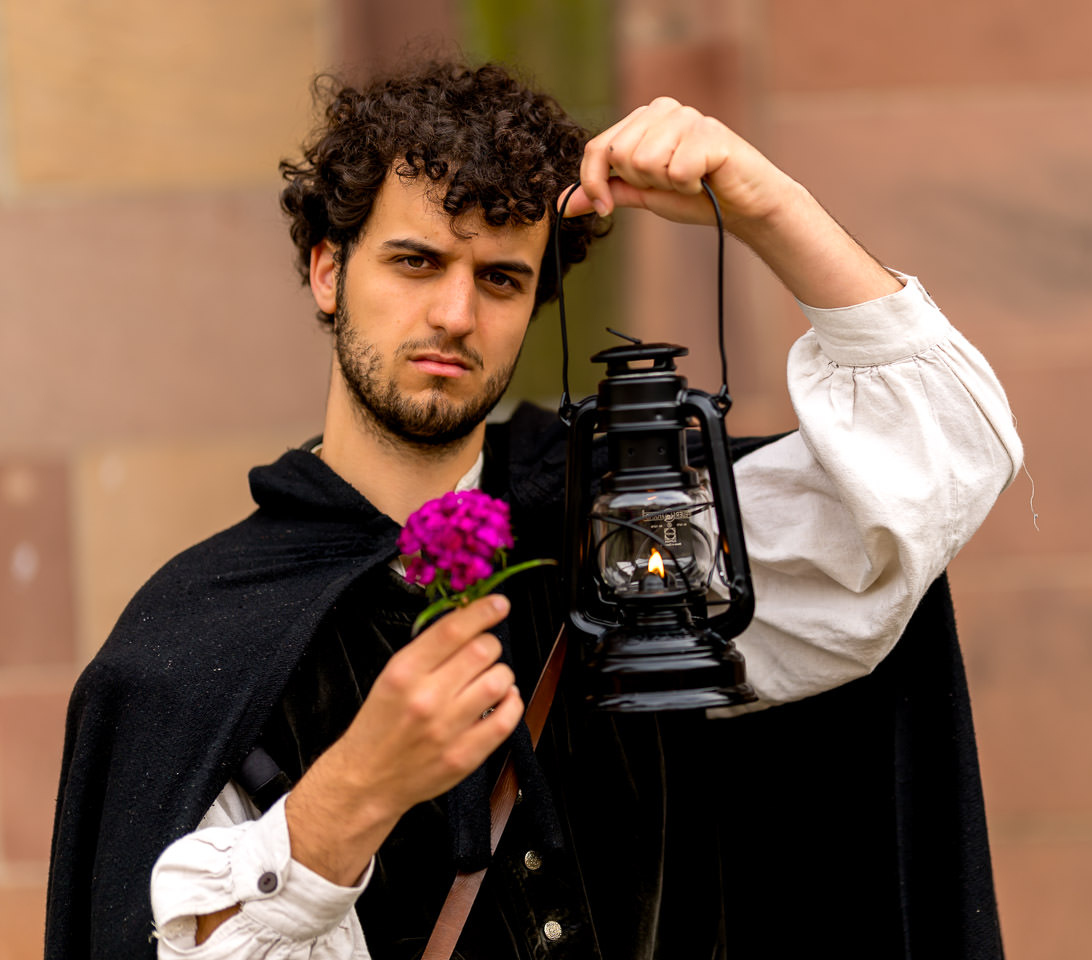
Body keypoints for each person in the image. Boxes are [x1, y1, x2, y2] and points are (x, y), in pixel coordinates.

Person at [45, 62, 1022, 959]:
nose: (457, 314)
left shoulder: (627, 531)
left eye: (501, 278)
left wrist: (764, 205)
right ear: (328, 269)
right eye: (417, 262)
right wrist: (357, 791)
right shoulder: (193, 646)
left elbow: (938, 463)